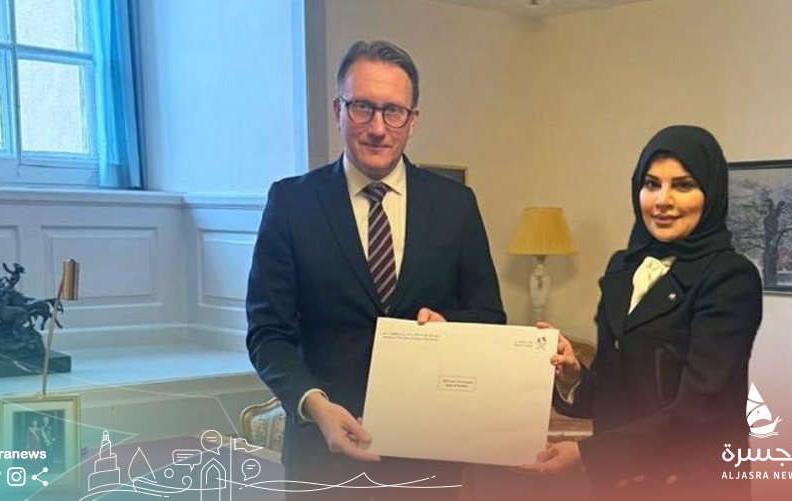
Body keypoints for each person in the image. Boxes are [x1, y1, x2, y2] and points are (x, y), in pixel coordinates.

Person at [246, 40, 506, 500]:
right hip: (321, 459)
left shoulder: (456, 205)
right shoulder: (291, 203)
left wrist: (449, 328)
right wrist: (315, 406)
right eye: (362, 108)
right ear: (338, 110)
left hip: (427, 461)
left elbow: (489, 317)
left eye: (393, 111)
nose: (378, 128)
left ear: (413, 119)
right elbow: (268, 333)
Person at [525, 125, 762, 500]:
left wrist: (587, 455)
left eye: (683, 185)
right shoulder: (623, 267)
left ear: (711, 193)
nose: (662, 200)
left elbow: (701, 409)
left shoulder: (731, 277)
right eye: (652, 184)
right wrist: (572, 375)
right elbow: (613, 390)